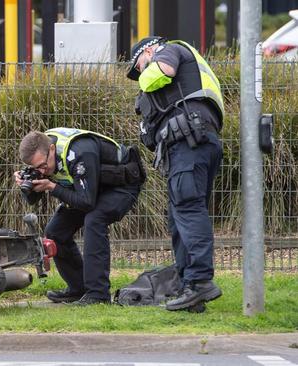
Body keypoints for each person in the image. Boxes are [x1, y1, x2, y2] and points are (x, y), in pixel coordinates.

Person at [126, 36, 224, 311]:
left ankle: (200, 282)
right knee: (179, 216)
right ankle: (188, 289)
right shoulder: (189, 73)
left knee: (188, 210)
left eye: (139, 65)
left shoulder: (170, 50)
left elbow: (162, 72)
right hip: (191, 142)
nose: (140, 74)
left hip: (188, 143)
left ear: (148, 50)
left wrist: (146, 78)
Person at [15, 128, 145, 306]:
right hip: (91, 188)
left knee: (94, 219)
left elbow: (87, 203)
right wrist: (27, 185)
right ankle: (78, 288)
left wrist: (52, 187)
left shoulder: (80, 152)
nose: (42, 171)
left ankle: (98, 294)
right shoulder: (42, 155)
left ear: (52, 149)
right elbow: (33, 200)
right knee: (55, 232)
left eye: (43, 166)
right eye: (35, 168)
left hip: (121, 185)